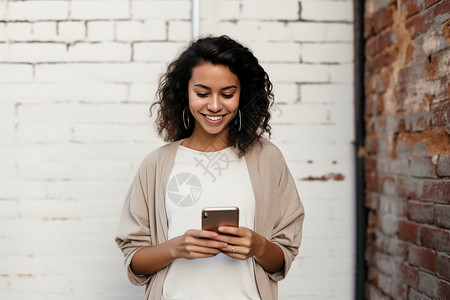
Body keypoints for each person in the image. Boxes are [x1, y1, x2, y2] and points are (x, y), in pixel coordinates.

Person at [115, 35, 304, 300]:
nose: (215, 106)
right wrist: (175, 248)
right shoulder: (156, 165)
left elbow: (283, 256)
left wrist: (259, 246)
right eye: (202, 93)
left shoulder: (268, 159)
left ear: (243, 94)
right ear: (185, 92)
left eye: (227, 94)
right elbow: (134, 260)